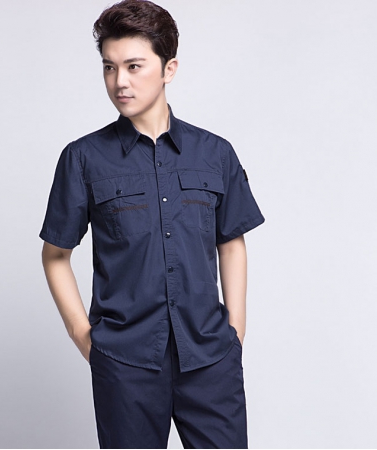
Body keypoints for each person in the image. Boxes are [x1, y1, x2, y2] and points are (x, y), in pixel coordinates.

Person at [40, 0, 265, 448]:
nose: (119, 82)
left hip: (210, 356)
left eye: (133, 66)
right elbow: (55, 255)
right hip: (125, 362)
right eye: (109, 67)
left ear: (168, 69)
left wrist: (235, 332)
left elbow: (231, 241)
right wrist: (84, 337)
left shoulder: (215, 153)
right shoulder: (83, 158)